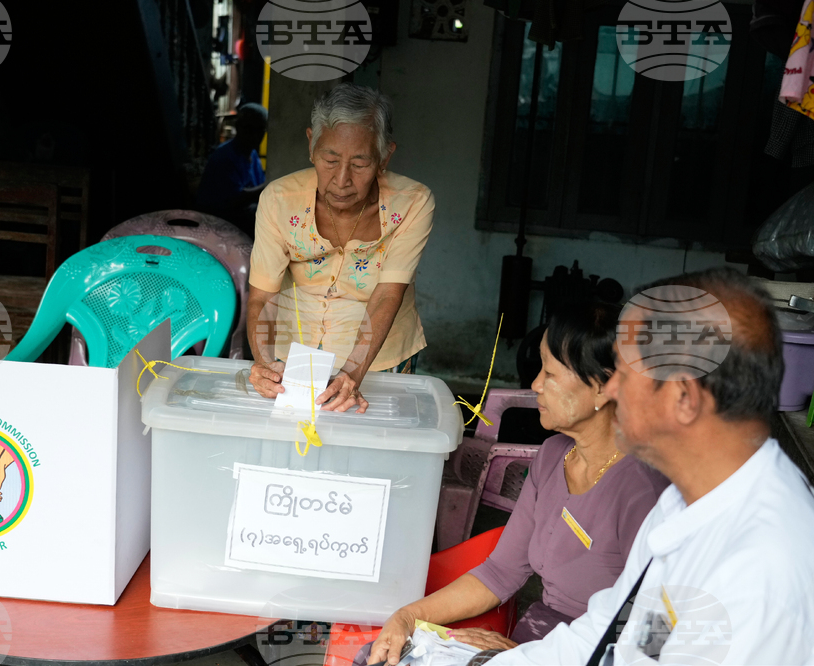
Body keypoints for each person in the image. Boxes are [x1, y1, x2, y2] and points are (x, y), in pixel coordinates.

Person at [478, 268, 814, 665]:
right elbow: (624, 630)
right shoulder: (684, 504)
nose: (612, 388)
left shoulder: (760, 569)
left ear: (683, 397)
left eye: (626, 372)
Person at [366, 303, 669, 664]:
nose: (536, 384)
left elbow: (656, 637)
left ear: (605, 388)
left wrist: (537, 656)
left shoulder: (644, 491)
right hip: (535, 639)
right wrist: (407, 617)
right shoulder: (554, 455)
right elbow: (500, 572)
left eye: (551, 374)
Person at [247, 83, 435, 413]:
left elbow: (388, 294)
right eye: (330, 159)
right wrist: (264, 362)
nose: (342, 179)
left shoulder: (413, 203)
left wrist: (351, 373)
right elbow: (263, 295)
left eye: (360, 164)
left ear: (384, 157)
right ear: (311, 144)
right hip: (292, 359)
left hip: (378, 361)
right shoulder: (279, 200)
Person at [196, 103, 268, 236]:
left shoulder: (251, 154)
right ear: (238, 127)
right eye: (249, 129)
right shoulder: (225, 156)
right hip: (218, 221)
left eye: (260, 130)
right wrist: (268, 186)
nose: (255, 135)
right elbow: (235, 199)